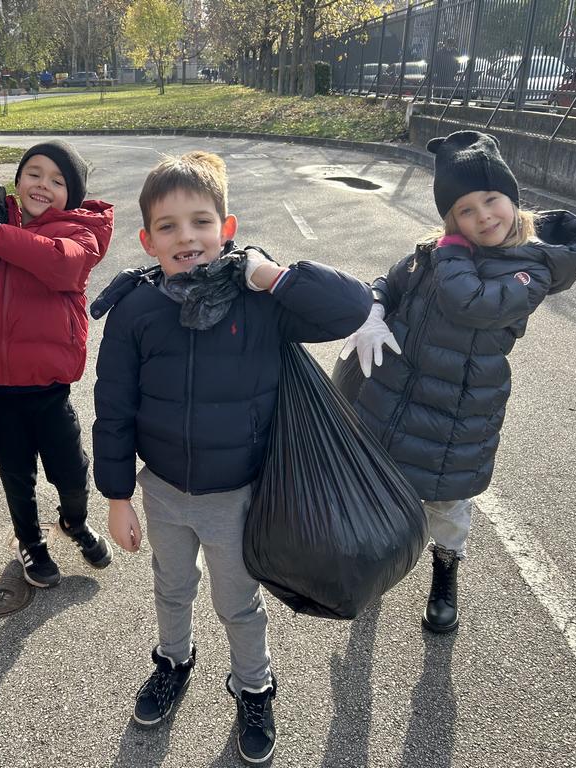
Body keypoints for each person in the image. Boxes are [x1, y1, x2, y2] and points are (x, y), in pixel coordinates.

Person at [92, 151, 371, 764]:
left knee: (238, 603)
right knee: (171, 587)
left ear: (227, 228)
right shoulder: (137, 310)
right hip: (164, 492)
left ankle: (254, 687)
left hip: (238, 495)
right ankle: (173, 660)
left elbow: (351, 307)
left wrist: (271, 275)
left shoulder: (259, 301)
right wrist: (117, 497)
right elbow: (112, 408)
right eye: (168, 226)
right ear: (147, 240)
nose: (185, 237)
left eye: (201, 222)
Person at [339, 130, 576, 633]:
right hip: (394, 395)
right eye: (465, 210)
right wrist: (375, 310)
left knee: (447, 504)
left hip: (457, 411)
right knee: (383, 489)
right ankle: (378, 567)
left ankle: (445, 572)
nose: (483, 217)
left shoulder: (530, 268)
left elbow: (470, 303)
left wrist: (450, 248)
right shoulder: (436, 251)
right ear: (452, 217)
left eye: (491, 200)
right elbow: (390, 282)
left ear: (513, 199)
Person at [0, 140, 115, 589]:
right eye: (34, 173)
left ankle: (74, 521)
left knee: (72, 471)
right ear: (18, 179)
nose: (43, 185)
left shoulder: (80, 232)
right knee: (16, 475)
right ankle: (30, 541)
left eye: (57, 180)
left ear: (73, 194)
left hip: (49, 390)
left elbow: (60, 264)